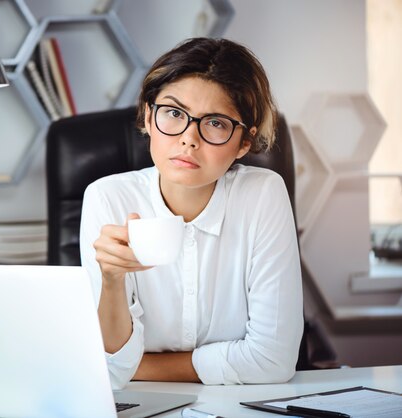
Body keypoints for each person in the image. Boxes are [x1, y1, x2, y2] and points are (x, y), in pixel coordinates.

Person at [79, 37, 303, 389]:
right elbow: (108, 371)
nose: (188, 138)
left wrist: (141, 367)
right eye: (173, 113)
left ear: (244, 142)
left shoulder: (262, 194)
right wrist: (112, 279)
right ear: (148, 117)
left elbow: (272, 361)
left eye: (215, 123)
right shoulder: (107, 198)